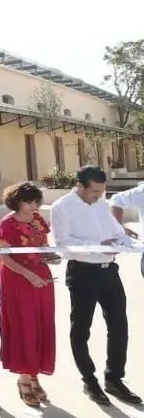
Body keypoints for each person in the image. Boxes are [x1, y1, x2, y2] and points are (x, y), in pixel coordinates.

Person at [50, 165, 141, 405]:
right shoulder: (62, 208)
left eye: (102, 192)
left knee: (119, 326)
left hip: (110, 272)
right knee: (81, 330)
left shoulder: (101, 205)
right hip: (83, 274)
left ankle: (114, 379)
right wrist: (99, 244)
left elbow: (115, 232)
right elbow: (63, 244)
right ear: (79, 186)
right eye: (94, 192)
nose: (99, 197)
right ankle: (89, 382)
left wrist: (122, 239)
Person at [0, 182, 55, 407]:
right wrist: (28, 274)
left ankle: (34, 375)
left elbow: (45, 245)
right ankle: (23, 379)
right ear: (16, 202)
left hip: (42, 277)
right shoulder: (7, 224)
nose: (33, 205)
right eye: (28, 201)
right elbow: (4, 257)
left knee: (41, 324)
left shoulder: (39, 219)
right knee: (24, 325)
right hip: (17, 278)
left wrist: (51, 256)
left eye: (35, 201)